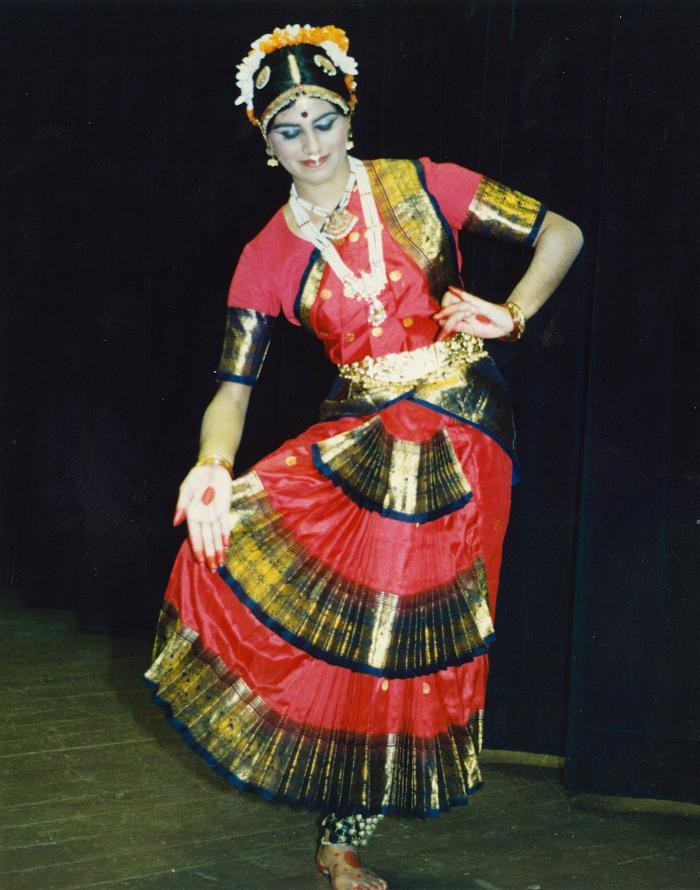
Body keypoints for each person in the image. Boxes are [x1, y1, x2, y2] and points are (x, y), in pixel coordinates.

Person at [145, 23, 583, 890]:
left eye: (322, 120)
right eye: (288, 128)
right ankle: (342, 839)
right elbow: (231, 391)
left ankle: (347, 833)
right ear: (265, 142)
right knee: (348, 629)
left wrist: (514, 312)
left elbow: (561, 233)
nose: (311, 144)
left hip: (463, 432)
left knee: (415, 639)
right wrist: (210, 464)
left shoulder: (425, 185)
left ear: (348, 114)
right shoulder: (265, 256)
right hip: (361, 435)